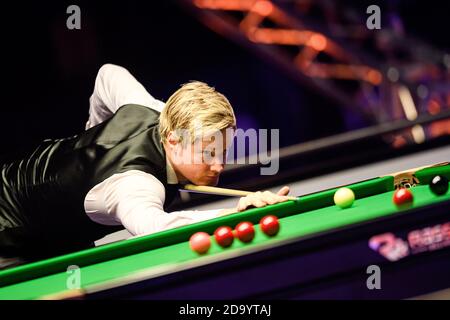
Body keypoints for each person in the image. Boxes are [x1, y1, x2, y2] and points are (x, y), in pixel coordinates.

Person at [0, 64, 291, 268]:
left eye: (223, 151)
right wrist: (235, 213)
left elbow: (108, 74)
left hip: (61, 226)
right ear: (174, 141)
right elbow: (156, 228)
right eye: (207, 153)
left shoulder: (154, 109)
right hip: (10, 225)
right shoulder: (135, 184)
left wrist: (94, 132)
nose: (218, 165)